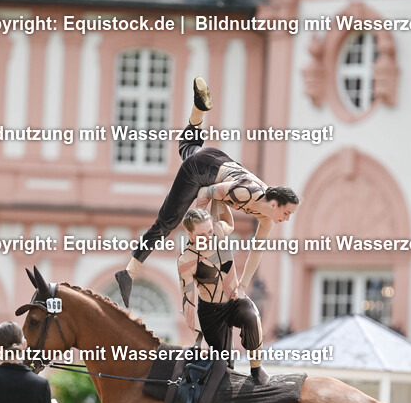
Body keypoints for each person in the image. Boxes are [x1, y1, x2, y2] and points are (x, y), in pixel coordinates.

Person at [113, 76, 299, 308]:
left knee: (186, 147)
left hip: (215, 159)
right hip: (201, 171)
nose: (287, 218)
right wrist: (203, 227)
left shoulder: (266, 219)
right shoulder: (246, 193)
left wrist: (242, 286)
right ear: (274, 204)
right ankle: (129, 272)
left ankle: (198, 111)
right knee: (167, 223)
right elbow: (204, 194)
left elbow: (256, 253)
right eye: (287, 212)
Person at [178, 206, 269, 384]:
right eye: (201, 236)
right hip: (211, 313)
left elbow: (229, 223)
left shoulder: (218, 232)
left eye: (210, 232)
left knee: (251, 316)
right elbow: (188, 303)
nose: (209, 238)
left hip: (234, 302)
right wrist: (199, 338)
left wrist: (222, 195)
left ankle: (257, 368)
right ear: (190, 236)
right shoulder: (186, 261)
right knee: (222, 369)